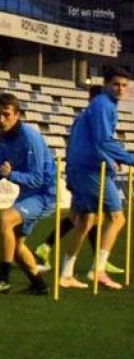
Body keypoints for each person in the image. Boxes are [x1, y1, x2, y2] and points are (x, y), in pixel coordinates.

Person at [59, 67, 134, 290]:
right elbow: (103, 141)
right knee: (117, 219)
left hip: (81, 166)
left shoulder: (100, 106)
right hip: (90, 169)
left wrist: (112, 159)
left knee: (85, 221)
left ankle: (66, 273)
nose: (120, 89)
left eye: (124, 85)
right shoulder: (103, 105)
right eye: (116, 84)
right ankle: (97, 270)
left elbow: (96, 141)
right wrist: (129, 159)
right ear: (106, 84)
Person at [33, 85, 120, 275]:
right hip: (85, 173)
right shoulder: (89, 120)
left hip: (80, 171)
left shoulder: (87, 119)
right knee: (85, 217)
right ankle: (51, 250)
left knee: (84, 217)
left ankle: (48, 248)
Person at [0, 94, 55, 295]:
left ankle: (3, 279)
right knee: (16, 245)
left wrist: (11, 175)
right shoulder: (3, 135)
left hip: (44, 194)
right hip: (28, 194)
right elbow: (1, 167)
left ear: (17, 114)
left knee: (5, 220)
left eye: (6, 115)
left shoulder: (31, 137)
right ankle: (39, 285)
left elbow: (37, 179)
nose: (1, 120)